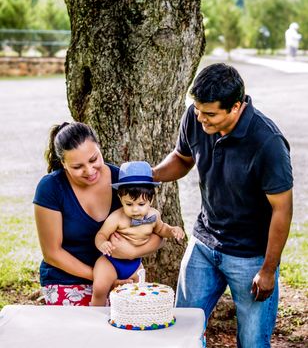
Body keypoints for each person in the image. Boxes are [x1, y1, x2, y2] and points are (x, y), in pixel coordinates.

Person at [153, 63, 293, 347]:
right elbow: (183, 159)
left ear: (236, 107)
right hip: (204, 244)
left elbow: (283, 209)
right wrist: (151, 175)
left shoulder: (267, 142)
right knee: (181, 333)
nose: (201, 119)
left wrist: (268, 269)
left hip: (250, 256)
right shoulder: (196, 117)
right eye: (197, 110)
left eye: (210, 114)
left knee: (252, 342)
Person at [33, 122, 162, 306]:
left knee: (129, 327)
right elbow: (52, 253)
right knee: (85, 332)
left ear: (99, 148)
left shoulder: (122, 182)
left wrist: (134, 252)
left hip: (120, 276)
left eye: (94, 159)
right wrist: (102, 278)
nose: (90, 171)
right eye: (78, 167)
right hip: (66, 280)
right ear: (63, 163)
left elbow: (155, 231)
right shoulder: (51, 188)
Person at [91, 161, 184, 306]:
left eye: (141, 204)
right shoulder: (117, 217)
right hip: (110, 262)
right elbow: (101, 234)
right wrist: (103, 243)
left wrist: (172, 231)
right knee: (100, 288)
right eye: (129, 204)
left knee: (136, 293)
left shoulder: (154, 215)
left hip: (135, 265)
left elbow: (161, 229)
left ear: (151, 200)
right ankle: (95, 313)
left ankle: (128, 317)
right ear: (121, 199)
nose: (135, 210)